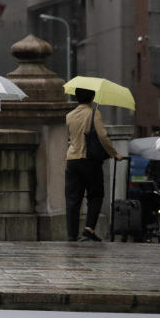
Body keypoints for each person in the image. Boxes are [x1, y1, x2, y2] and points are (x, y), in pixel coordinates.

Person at [64, 88, 124, 242]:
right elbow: (102, 136)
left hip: (72, 160)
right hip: (89, 160)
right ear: (92, 97)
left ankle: (72, 235)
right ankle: (89, 229)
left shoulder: (69, 116)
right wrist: (114, 153)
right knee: (96, 194)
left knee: (73, 199)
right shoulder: (93, 113)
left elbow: (70, 137)